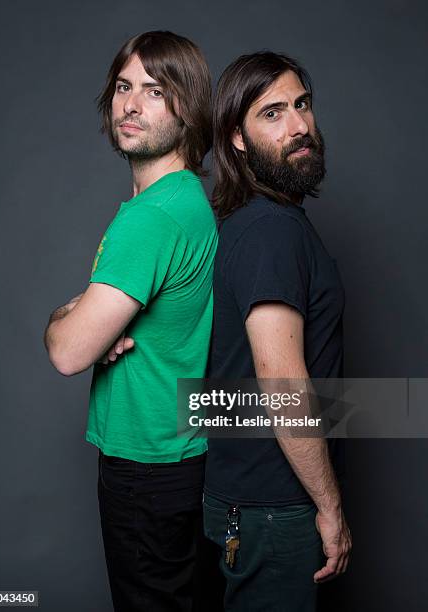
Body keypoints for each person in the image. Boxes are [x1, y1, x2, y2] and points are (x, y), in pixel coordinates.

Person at [44, 30, 218, 612]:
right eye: (123, 87)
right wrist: (85, 319)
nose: (131, 104)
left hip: (145, 465)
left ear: (188, 109)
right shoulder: (191, 201)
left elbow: (68, 352)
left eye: (155, 90)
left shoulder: (151, 220)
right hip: (183, 457)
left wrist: (65, 317)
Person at [203, 52, 352, 611]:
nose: (298, 126)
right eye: (272, 114)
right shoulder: (271, 232)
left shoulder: (255, 224)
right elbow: (282, 383)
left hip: (257, 502)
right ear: (237, 138)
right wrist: (330, 507)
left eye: (302, 105)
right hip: (275, 508)